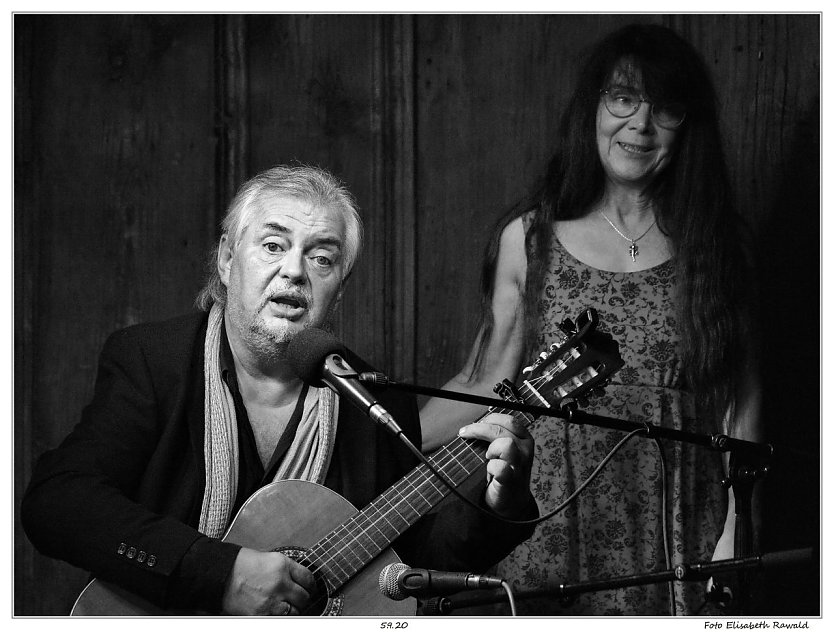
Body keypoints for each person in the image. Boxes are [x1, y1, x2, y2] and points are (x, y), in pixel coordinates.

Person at [21, 164, 537, 616]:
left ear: (339, 286)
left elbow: (412, 561)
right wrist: (218, 573)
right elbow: (58, 503)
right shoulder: (152, 361)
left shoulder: (371, 400)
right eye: (273, 245)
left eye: (321, 258)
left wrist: (500, 501)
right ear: (227, 259)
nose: (294, 270)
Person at [419, 24, 762, 616]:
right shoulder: (529, 240)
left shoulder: (718, 247)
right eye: (623, 98)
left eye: (665, 109)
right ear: (595, 108)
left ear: (688, 127)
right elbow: (481, 386)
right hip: (548, 520)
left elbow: (741, 403)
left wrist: (739, 533)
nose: (640, 125)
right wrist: (365, 448)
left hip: (677, 522)